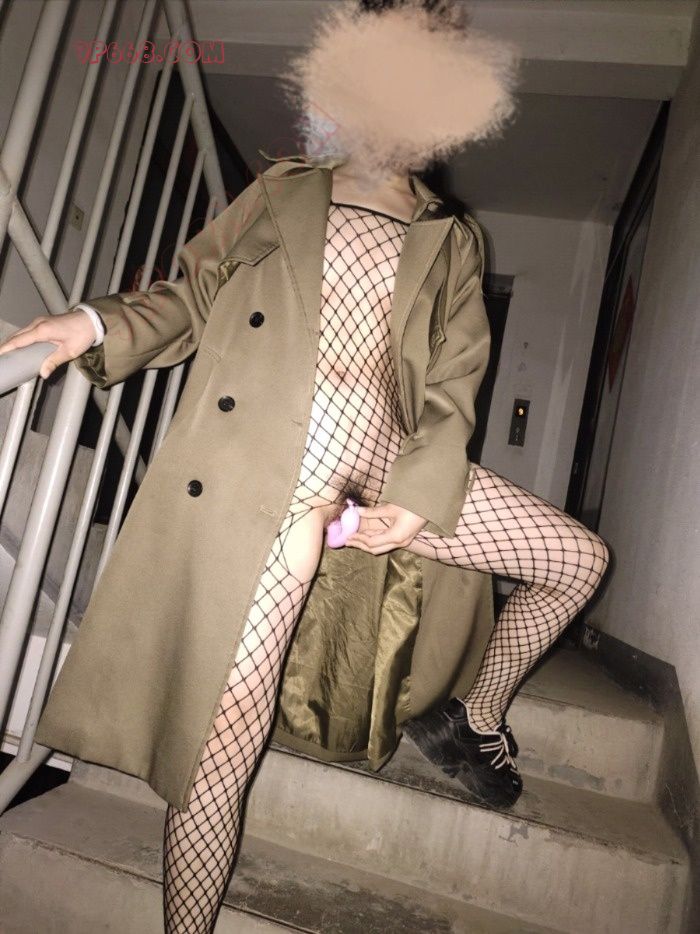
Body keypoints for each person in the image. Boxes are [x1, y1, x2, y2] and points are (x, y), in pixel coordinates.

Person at [0, 2, 611, 931]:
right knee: (222, 748)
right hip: (275, 487)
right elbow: (188, 298)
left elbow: (454, 384)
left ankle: (477, 717)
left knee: (575, 559)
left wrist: (419, 497)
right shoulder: (279, 192)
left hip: (395, 472)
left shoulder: (452, 235)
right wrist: (89, 322)